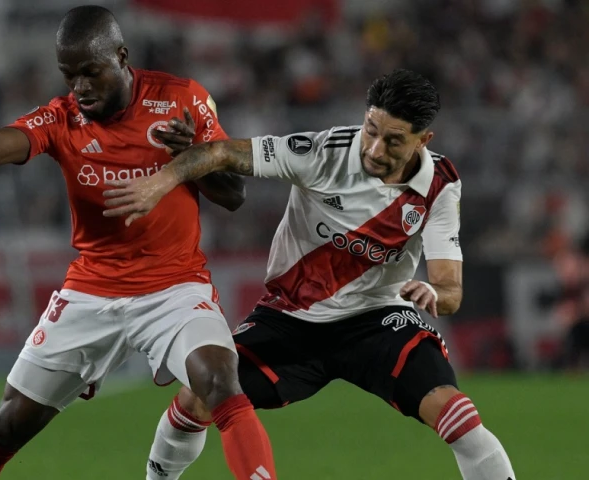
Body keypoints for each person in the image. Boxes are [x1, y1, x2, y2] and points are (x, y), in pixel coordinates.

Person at [104, 69, 516, 480]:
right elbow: (224, 154)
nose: (373, 148)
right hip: (290, 319)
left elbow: (450, 291)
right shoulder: (322, 151)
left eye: (393, 140)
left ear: (422, 140)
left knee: (457, 415)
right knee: (197, 398)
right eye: (370, 129)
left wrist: (430, 290)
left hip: (376, 320)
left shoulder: (440, 185)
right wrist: (161, 180)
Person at [0, 6, 278, 480]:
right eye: (69, 75)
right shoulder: (62, 119)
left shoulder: (183, 100)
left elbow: (234, 196)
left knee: (219, 380)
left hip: (173, 287)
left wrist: (190, 155)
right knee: (9, 423)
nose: (79, 88)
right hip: (92, 290)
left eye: (90, 72)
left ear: (121, 57)